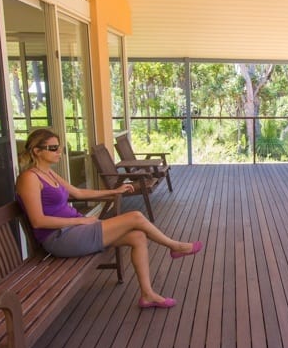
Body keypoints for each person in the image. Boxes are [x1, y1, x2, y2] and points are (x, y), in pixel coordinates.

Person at [16, 128, 202, 309]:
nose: (59, 151)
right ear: (36, 151)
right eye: (53, 148)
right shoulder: (29, 178)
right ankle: (174, 246)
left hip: (75, 231)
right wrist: (81, 220)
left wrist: (115, 190)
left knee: (137, 236)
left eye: (60, 147)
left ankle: (147, 295)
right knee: (135, 216)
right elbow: (38, 221)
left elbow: (79, 193)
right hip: (59, 238)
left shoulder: (48, 172)